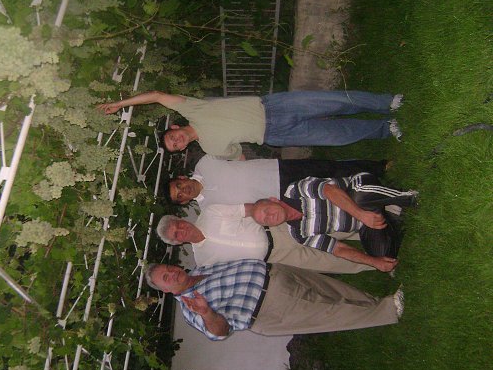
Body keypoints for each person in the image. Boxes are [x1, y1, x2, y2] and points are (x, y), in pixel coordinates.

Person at [98, 90, 404, 160]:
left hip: (273, 106)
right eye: (174, 147)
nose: (176, 142)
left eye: (171, 138)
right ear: (182, 148)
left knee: (336, 102)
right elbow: (239, 156)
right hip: (275, 133)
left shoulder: (193, 109)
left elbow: (156, 95)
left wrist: (121, 104)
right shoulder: (211, 148)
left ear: (175, 129)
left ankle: (387, 102)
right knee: (336, 136)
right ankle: (384, 128)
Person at [145, 259, 403, 340]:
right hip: (271, 308)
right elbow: (219, 333)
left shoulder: (200, 269)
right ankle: (389, 310)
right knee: (332, 313)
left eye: (169, 268)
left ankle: (376, 302)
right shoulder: (190, 310)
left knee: (334, 290)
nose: (172, 273)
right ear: (165, 290)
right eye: (166, 278)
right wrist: (207, 313)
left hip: (277, 274)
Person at [247, 173, 418, 272]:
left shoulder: (294, 191)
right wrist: (374, 262)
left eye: (267, 211)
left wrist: (360, 214)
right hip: (365, 223)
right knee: (383, 253)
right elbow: (338, 249)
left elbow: (330, 190)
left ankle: (409, 198)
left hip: (358, 189)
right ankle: (391, 216)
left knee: (360, 197)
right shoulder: (299, 234)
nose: (270, 217)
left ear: (273, 200)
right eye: (266, 220)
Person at [156, 208, 373, 273]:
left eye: (178, 225)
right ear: (178, 243)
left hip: (278, 230)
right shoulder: (203, 261)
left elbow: (249, 208)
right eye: (177, 235)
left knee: (335, 228)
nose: (182, 230)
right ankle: (377, 264)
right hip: (276, 258)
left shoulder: (210, 212)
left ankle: (377, 224)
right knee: (330, 262)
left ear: (180, 219)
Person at [166, 154, 387, 207]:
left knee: (327, 168)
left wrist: (244, 163)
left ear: (181, 178)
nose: (183, 191)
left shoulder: (204, 163)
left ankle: (378, 168)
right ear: (184, 202)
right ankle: (374, 191)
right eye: (180, 196)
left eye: (179, 186)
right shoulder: (208, 207)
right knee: (326, 197)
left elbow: (232, 151)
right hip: (278, 197)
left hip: (277, 169)